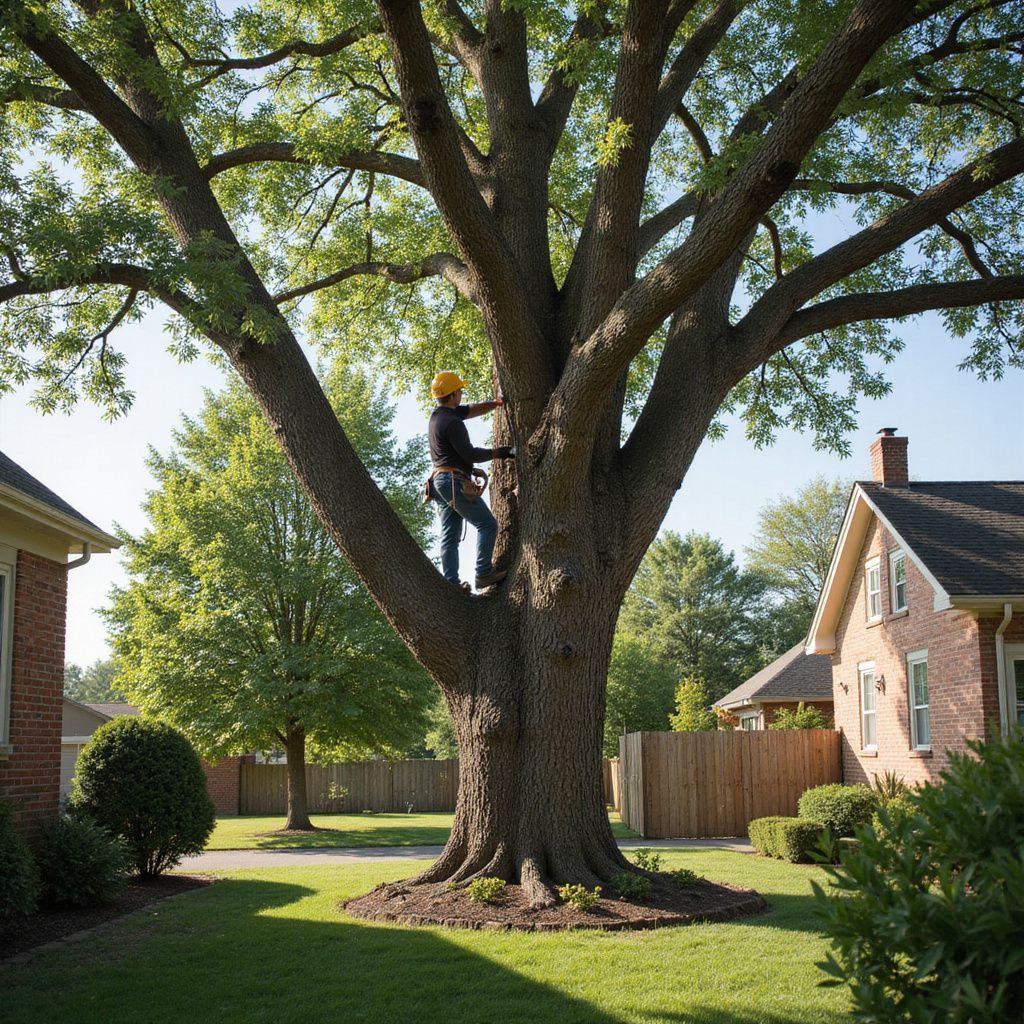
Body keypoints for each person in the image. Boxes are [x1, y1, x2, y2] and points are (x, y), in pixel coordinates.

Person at [427, 371, 515, 590]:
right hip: (452, 482)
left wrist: (497, 403)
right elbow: (470, 453)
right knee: (487, 524)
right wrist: (504, 452)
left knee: (450, 537)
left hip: (440, 482)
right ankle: (483, 573)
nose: (462, 393)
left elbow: (471, 410)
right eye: (460, 390)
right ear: (454, 393)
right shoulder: (452, 422)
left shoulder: (438, 416)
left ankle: (451, 584)